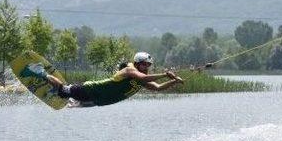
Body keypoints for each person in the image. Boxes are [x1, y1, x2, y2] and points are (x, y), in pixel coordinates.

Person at [23, 52, 183, 107]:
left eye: (149, 65)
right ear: (137, 62)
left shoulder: (142, 77)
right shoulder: (129, 70)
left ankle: (73, 99)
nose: (147, 67)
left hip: (98, 99)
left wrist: (174, 81)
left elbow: (157, 88)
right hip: (92, 89)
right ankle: (39, 72)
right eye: (145, 64)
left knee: (66, 94)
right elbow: (144, 77)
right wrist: (165, 74)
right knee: (64, 90)